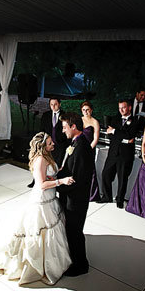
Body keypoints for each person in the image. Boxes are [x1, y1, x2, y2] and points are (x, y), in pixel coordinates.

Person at [0, 131, 73, 285]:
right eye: (50, 143)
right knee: (39, 230)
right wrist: (61, 181)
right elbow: (41, 185)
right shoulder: (40, 160)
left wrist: (54, 176)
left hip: (50, 198)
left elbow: (47, 177)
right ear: (42, 147)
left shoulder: (47, 156)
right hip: (42, 200)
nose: (53, 144)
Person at [56, 112, 95, 276]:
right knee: (71, 230)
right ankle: (73, 258)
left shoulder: (81, 148)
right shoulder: (75, 142)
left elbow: (76, 179)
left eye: (65, 127)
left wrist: (57, 186)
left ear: (74, 127)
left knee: (75, 231)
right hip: (71, 197)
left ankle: (81, 265)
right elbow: (68, 169)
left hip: (76, 199)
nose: (63, 131)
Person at [100, 99, 138, 208]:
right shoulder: (115, 119)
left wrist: (115, 132)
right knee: (105, 174)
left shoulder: (135, 120)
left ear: (129, 108)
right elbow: (110, 135)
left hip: (125, 155)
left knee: (122, 178)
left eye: (124, 107)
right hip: (113, 152)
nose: (121, 110)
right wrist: (124, 137)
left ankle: (120, 200)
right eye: (119, 107)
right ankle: (107, 197)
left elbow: (130, 134)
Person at [81, 101, 101, 201]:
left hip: (90, 149)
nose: (85, 112)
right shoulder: (79, 120)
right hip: (79, 149)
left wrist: (88, 150)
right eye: (84, 110)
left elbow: (95, 138)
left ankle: (92, 194)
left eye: (87, 110)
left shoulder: (95, 122)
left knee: (90, 170)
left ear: (91, 110)